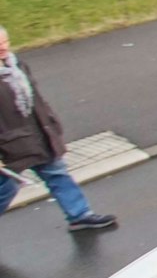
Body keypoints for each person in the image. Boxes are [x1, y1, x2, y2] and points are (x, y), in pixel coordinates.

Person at [0, 24, 117, 233]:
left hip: (37, 136)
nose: (3, 47)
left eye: (5, 42)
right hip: (7, 146)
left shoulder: (17, 65)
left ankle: (80, 215)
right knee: (6, 189)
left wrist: (50, 123)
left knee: (57, 174)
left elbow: (36, 100)